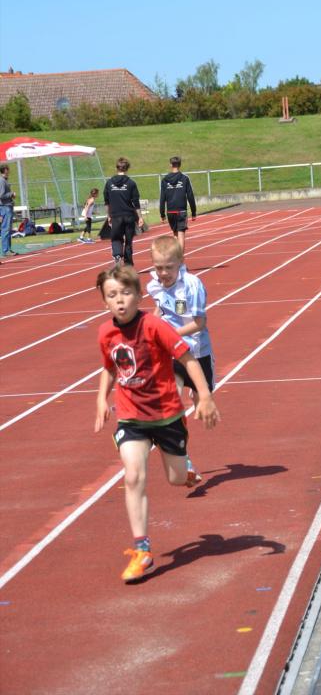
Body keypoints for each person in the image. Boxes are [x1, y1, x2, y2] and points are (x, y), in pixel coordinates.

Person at [94, 265, 220, 582]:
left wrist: (204, 396)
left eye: (126, 293)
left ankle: (184, 467)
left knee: (176, 479)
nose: (120, 300)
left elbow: (188, 359)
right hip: (131, 417)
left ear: (139, 296)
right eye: (112, 295)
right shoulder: (105, 332)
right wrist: (101, 399)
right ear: (104, 301)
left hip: (167, 416)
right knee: (133, 475)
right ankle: (143, 550)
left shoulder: (154, 326)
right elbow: (109, 367)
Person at [147, 235, 216, 485]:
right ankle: (183, 458)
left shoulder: (192, 286)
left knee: (201, 405)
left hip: (197, 351)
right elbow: (161, 308)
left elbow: (199, 323)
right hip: (173, 353)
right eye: (158, 267)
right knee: (172, 403)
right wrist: (150, 327)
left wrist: (171, 334)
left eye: (168, 267)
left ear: (180, 262)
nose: (163, 273)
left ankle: (197, 394)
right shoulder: (155, 285)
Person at [103, 157, 144, 266]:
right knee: (128, 241)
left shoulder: (109, 183)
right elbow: (136, 202)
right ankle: (128, 263)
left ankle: (117, 255)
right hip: (129, 216)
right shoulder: (131, 183)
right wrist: (140, 217)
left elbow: (106, 202)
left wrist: (108, 216)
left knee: (116, 238)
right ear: (127, 168)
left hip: (116, 216)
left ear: (116, 168)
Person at [159, 156, 196, 255]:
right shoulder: (185, 178)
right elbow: (190, 196)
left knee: (175, 235)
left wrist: (162, 214)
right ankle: (180, 260)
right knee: (181, 235)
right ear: (180, 165)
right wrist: (194, 212)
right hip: (181, 211)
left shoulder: (164, 180)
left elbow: (162, 198)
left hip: (170, 211)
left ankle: (176, 259)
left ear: (171, 165)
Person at [0, 163, 18, 257]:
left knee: (8, 229)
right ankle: (5, 250)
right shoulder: (2, 181)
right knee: (5, 229)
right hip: (5, 207)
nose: (9, 171)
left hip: (8, 206)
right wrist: (11, 194)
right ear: (5, 170)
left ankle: (8, 249)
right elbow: (1, 195)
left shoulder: (5, 180)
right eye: (8, 169)